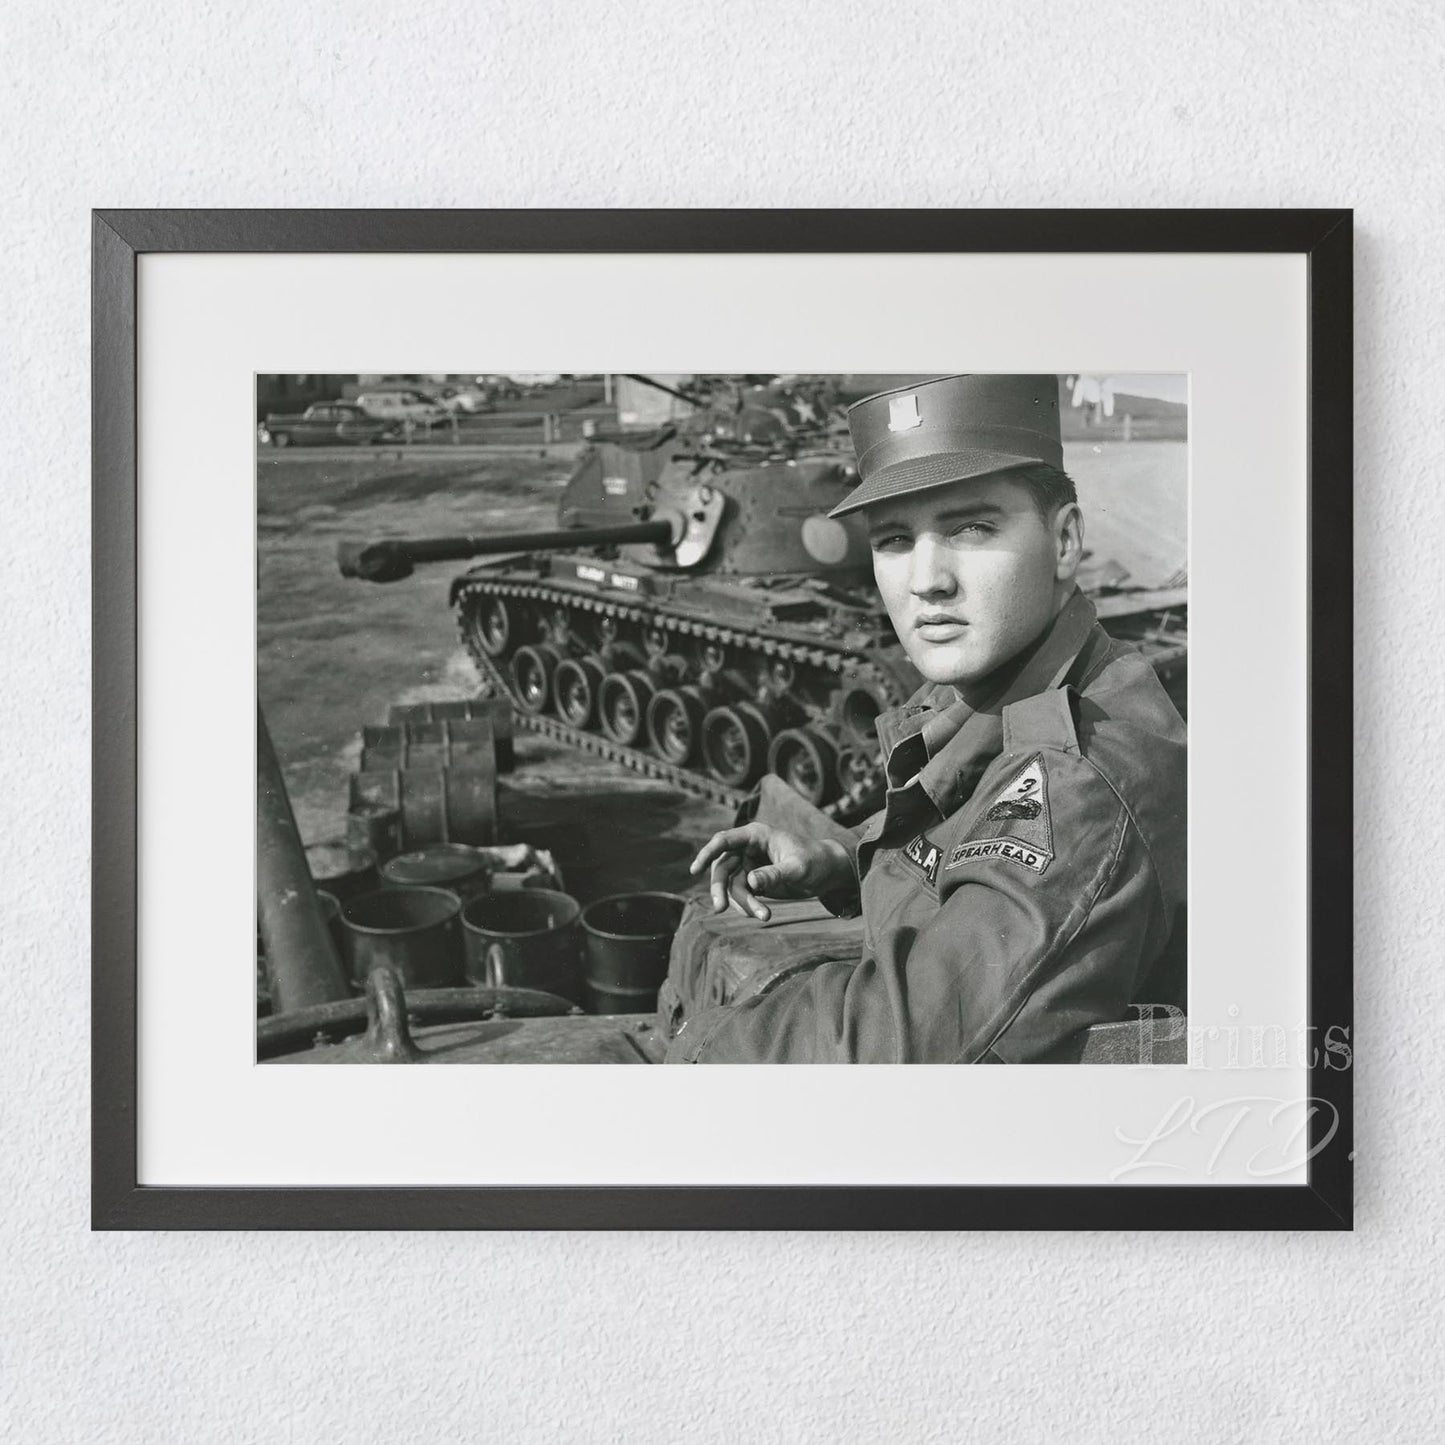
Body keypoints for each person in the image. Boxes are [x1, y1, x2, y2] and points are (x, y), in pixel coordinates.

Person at [666, 374, 1186, 1064]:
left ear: (1063, 542)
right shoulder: (1016, 689)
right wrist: (845, 862)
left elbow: (885, 1049)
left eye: (971, 527)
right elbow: (977, 878)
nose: (926, 580)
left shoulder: (1078, 776)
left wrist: (684, 1042)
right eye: (892, 540)